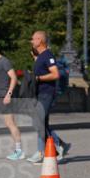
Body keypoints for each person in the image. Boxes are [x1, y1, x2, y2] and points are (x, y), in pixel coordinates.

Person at [27, 31, 70, 164]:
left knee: (39, 121)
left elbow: (55, 74)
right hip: (40, 93)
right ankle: (60, 144)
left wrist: (38, 78)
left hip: (47, 93)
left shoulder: (48, 55)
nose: (32, 41)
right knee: (42, 122)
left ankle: (43, 152)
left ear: (40, 40)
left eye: (33, 39)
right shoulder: (40, 56)